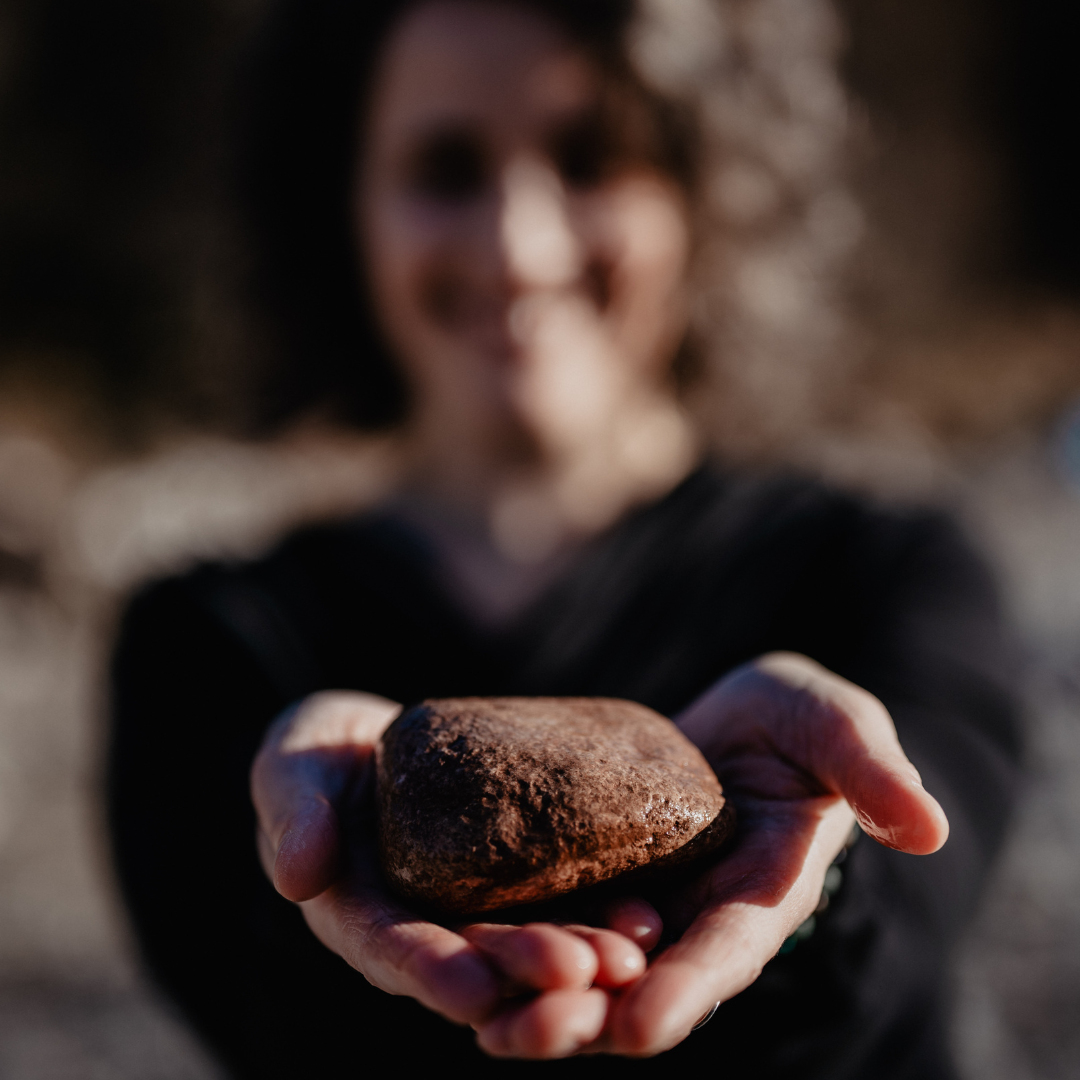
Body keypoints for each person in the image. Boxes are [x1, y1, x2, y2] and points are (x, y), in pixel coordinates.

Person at [108, 1, 1021, 1077]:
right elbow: (248, 1006)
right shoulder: (208, 637)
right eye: (447, 169)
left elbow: (909, 933)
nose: (518, 244)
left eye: (593, 160)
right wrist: (313, 872)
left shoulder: (885, 572)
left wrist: (815, 880)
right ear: (342, 204)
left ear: (702, 191)